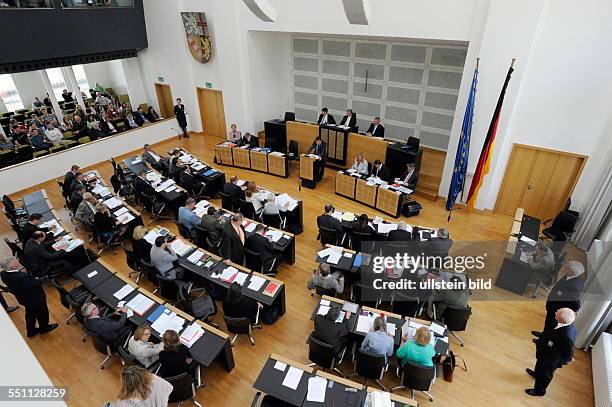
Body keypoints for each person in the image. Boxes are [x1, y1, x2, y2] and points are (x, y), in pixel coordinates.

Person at [0, 257, 58, 338]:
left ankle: (31, 331)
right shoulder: (22, 277)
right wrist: (43, 278)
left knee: (30, 314)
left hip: (23, 298)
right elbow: (35, 283)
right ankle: (44, 328)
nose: (18, 260)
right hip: (35, 298)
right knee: (42, 313)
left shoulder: (3, 274)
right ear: (12, 266)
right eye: (16, 261)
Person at [525, 308, 577, 397]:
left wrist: (561, 362)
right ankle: (536, 374)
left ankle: (539, 391)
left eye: (557, 313)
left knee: (545, 374)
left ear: (561, 320)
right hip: (544, 353)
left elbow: (568, 353)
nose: (555, 312)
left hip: (551, 360)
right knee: (539, 366)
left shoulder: (567, 335)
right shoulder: (560, 323)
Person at [532, 261, 585, 337]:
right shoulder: (571, 275)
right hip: (553, 304)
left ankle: (545, 339)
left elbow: (575, 300)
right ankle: (544, 335)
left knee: (552, 324)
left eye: (567, 268)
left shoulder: (574, 286)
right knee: (548, 322)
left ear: (572, 272)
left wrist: (576, 309)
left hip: (558, 308)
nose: (565, 268)